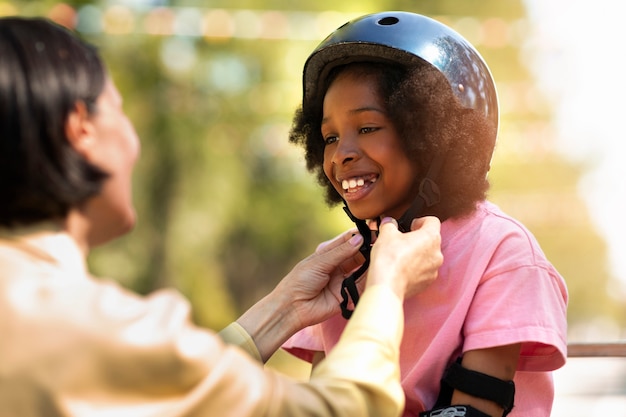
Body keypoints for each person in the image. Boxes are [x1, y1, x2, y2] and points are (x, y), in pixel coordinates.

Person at [0, 16, 445, 417]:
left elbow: (166, 387)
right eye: (119, 109)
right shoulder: (96, 325)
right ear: (81, 128)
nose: (134, 140)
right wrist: (387, 287)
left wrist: (283, 309)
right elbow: (338, 410)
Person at [283, 11, 568, 417]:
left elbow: (474, 409)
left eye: (367, 128)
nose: (341, 153)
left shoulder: (501, 251)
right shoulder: (338, 265)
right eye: (329, 136)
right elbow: (329, 404)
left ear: (434, 137)